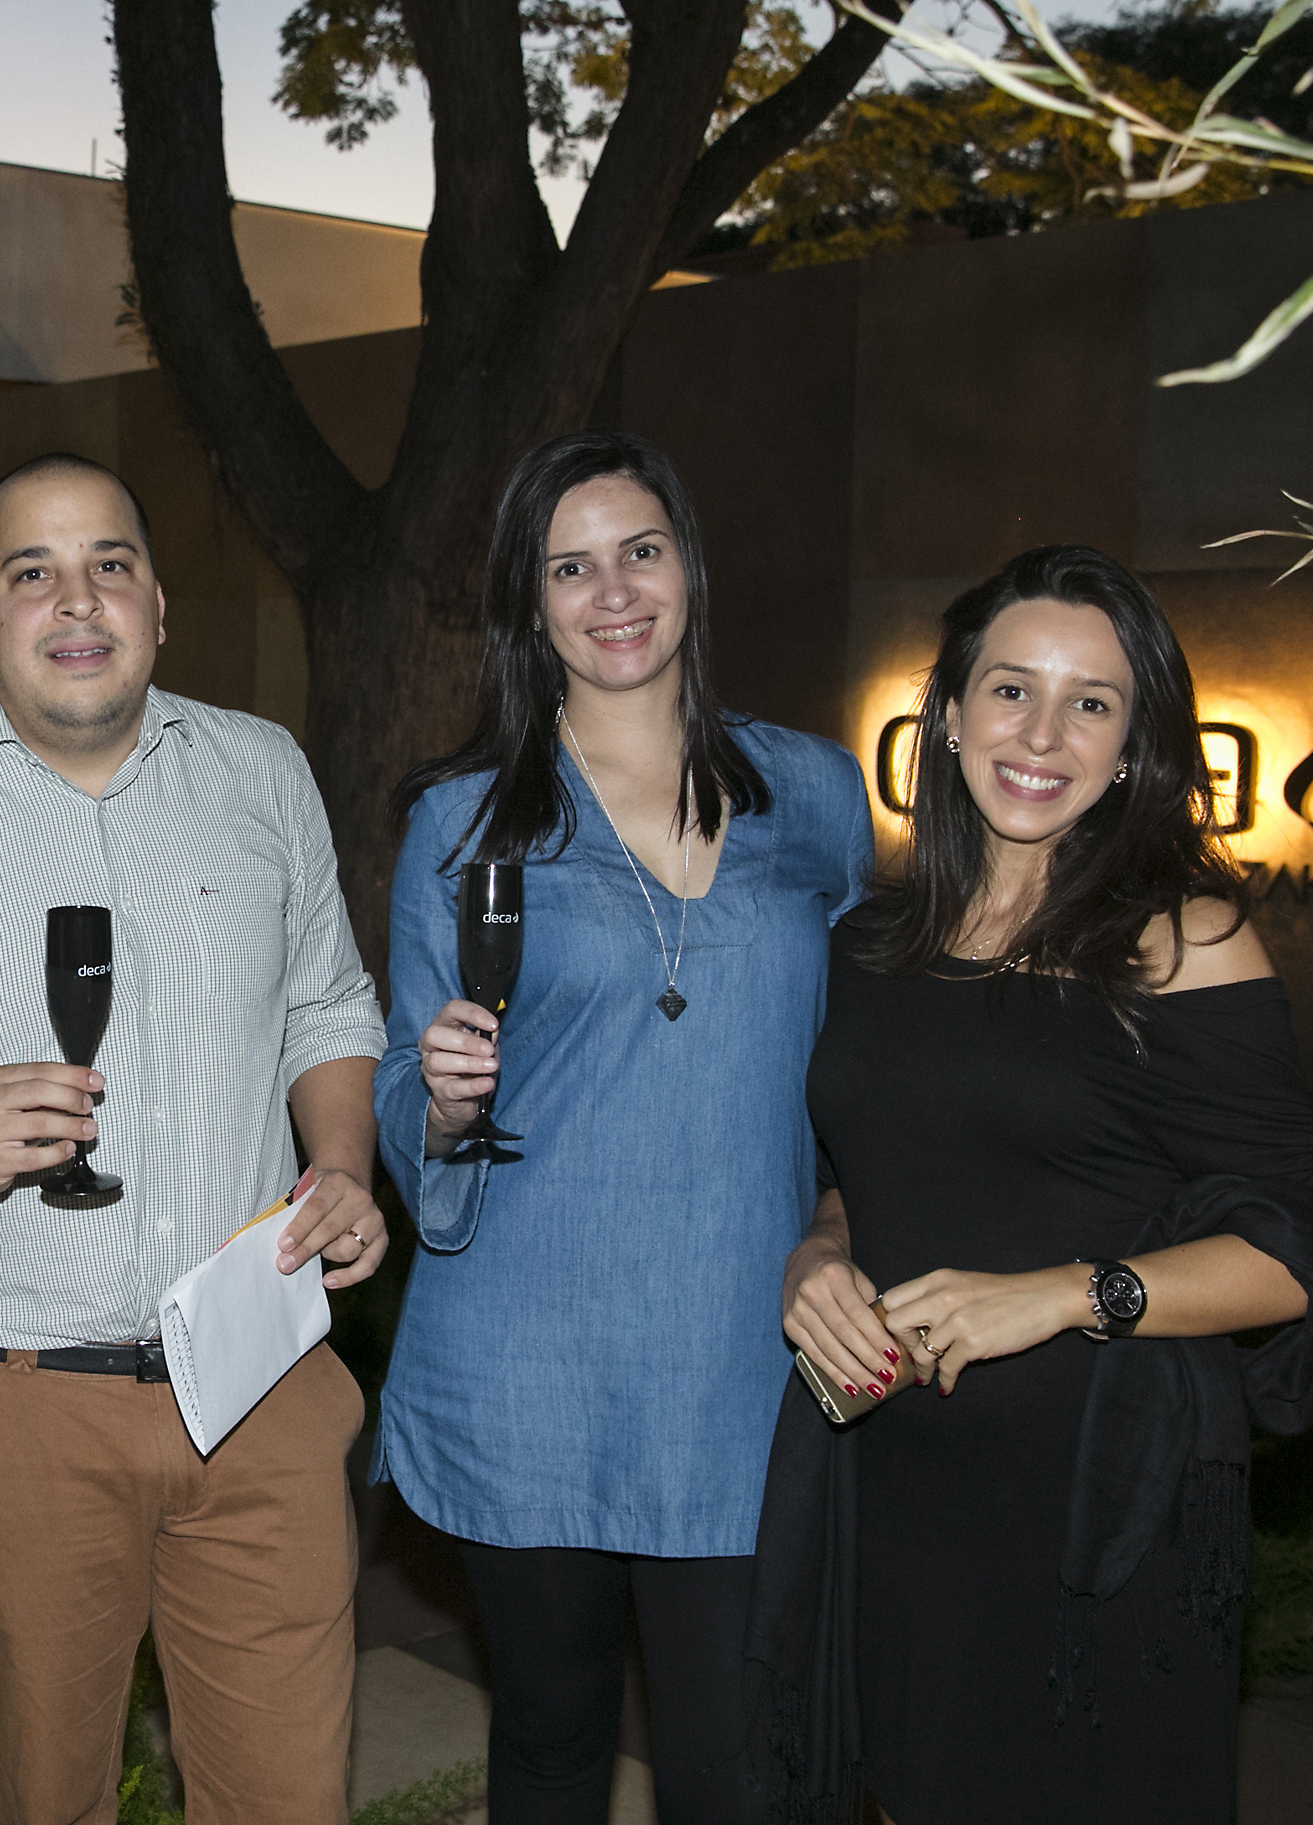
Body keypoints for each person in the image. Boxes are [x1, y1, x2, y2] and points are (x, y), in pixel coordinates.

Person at [0, 450, 388, 1825]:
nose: (77, 600)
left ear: (159, 601)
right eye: (31, 571)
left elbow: (325, 999)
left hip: (261, 1379)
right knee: (48, 1801)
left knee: (286, 1801)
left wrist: (345, 1163)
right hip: (19, 1411)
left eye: (108, 563)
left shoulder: (258, 770)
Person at [757, 544, 1313, 1825]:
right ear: (949, 711)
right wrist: (819, 1252)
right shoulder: (873, 939)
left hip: (1098, 1507)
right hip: (898, 1488)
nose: (1041, 733)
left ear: (1135, 740)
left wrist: (1065, 1294)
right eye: (1009, 688)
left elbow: (1296, 1251)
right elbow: (867, 1164)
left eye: (1090, 701)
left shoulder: (1176, 938)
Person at [373, 431, 872, 1825]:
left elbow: (870, 1067)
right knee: (547, 1737)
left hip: (738, 1361)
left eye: (638, 551)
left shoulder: (816, 798)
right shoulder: (458, 821)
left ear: (688, 571)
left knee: (733, 1765)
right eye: (568, 565)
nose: (611, 591)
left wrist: (844, 1226)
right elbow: (400, 1104)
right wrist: (442, 1096)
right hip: (523, 1359)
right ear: (527, 607)